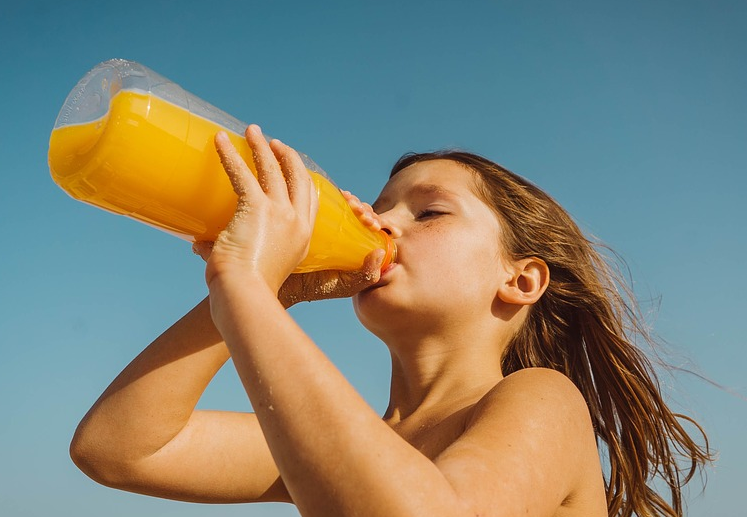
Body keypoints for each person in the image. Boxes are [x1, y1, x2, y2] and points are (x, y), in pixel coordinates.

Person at [70, 125, 711, 517]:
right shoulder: (353, 443)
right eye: (376, 210)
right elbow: (119, 448)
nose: (381, 225)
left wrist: (244, 287)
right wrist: (273, 290)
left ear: (521, 280)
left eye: (428, 214)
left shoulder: (542, 399)